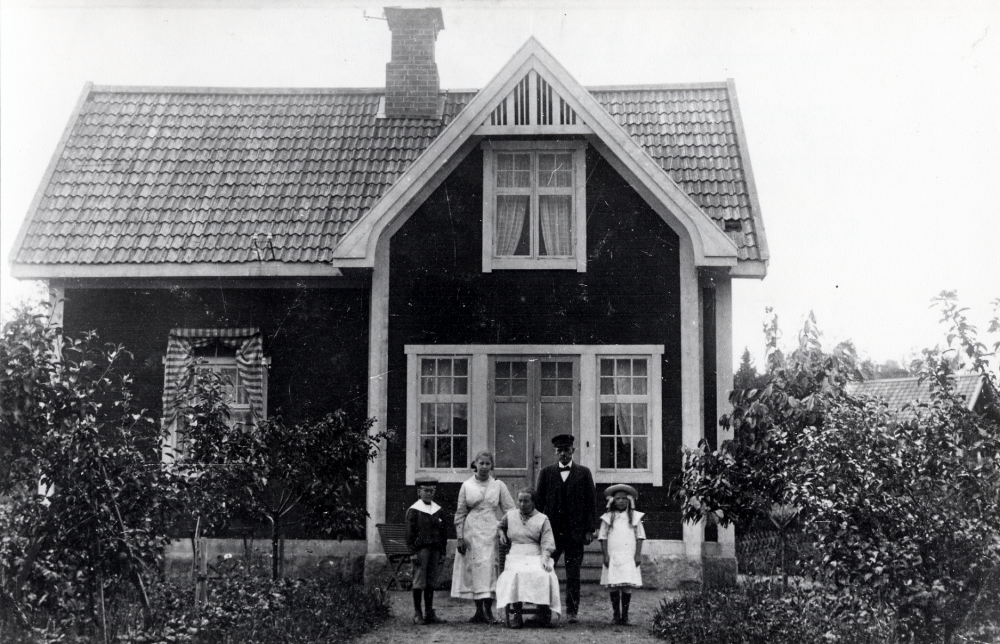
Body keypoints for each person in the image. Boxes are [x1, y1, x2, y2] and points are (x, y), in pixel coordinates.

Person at [534, 434, 596, 622]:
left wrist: (588, 530)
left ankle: (572, 612)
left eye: (567, 450)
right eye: (559, 451)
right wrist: (538, 530)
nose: (563, 454)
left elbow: (590, 503)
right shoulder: (546, 473)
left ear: (573, 451)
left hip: (575, 534)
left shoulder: (584, 473)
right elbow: (538, 504)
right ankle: (543, 611)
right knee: (545, 571)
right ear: (555, 452)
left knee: (573, 573)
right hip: (551, 533)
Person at [451, 451, 516, 624]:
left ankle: (488, 610)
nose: (485, 467)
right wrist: (459, 537)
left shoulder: (498, 485)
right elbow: (460, 513)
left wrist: (505, 528)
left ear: (492, 466)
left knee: (489, 568)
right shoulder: (466, 485)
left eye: (488, 464)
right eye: (481, 463)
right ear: (475, 464)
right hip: (471, 531)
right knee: (474, 569)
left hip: (490, 531)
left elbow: (510, 509)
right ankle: (478, 611)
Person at [495, 488, 562, 628]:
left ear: (533, 502)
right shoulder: (510, 515)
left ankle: (543, 613)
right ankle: (517, 614)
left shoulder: (542, 519)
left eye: (526, 501)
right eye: (520, 500)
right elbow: (500, 526)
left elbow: (547, 541)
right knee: (515, 575)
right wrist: (502, 533)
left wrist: (545, 557)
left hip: (535, 553)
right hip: (515, 553)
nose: (522, 504)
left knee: (545, 574)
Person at [598, 484, 645, 625]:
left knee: (626, 585)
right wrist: (605, 555)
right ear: (613, 500)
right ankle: (616, 615)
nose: (621, 501)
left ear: (628, 500)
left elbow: (640, 536)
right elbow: (603, 537)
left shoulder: (634, 517)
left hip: (628, 555)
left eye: (624, 498)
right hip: (613, 555)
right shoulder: (608, 517)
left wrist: (637, 555)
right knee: (613, 584)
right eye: (618, 498)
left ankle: (625, 616)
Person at [405, 476, 450, 625]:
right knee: (419, 581)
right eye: (426, 490)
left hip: (435, 550)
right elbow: (409, 534)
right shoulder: (414, 510)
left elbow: (443, 534)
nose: (430, 493)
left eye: (432, 491)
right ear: (419, 491)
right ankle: (418, 613)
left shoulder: (438, 510)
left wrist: (442, 552)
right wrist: (412, 552)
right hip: (421, 551)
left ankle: (429, 612)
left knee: (431, 582)